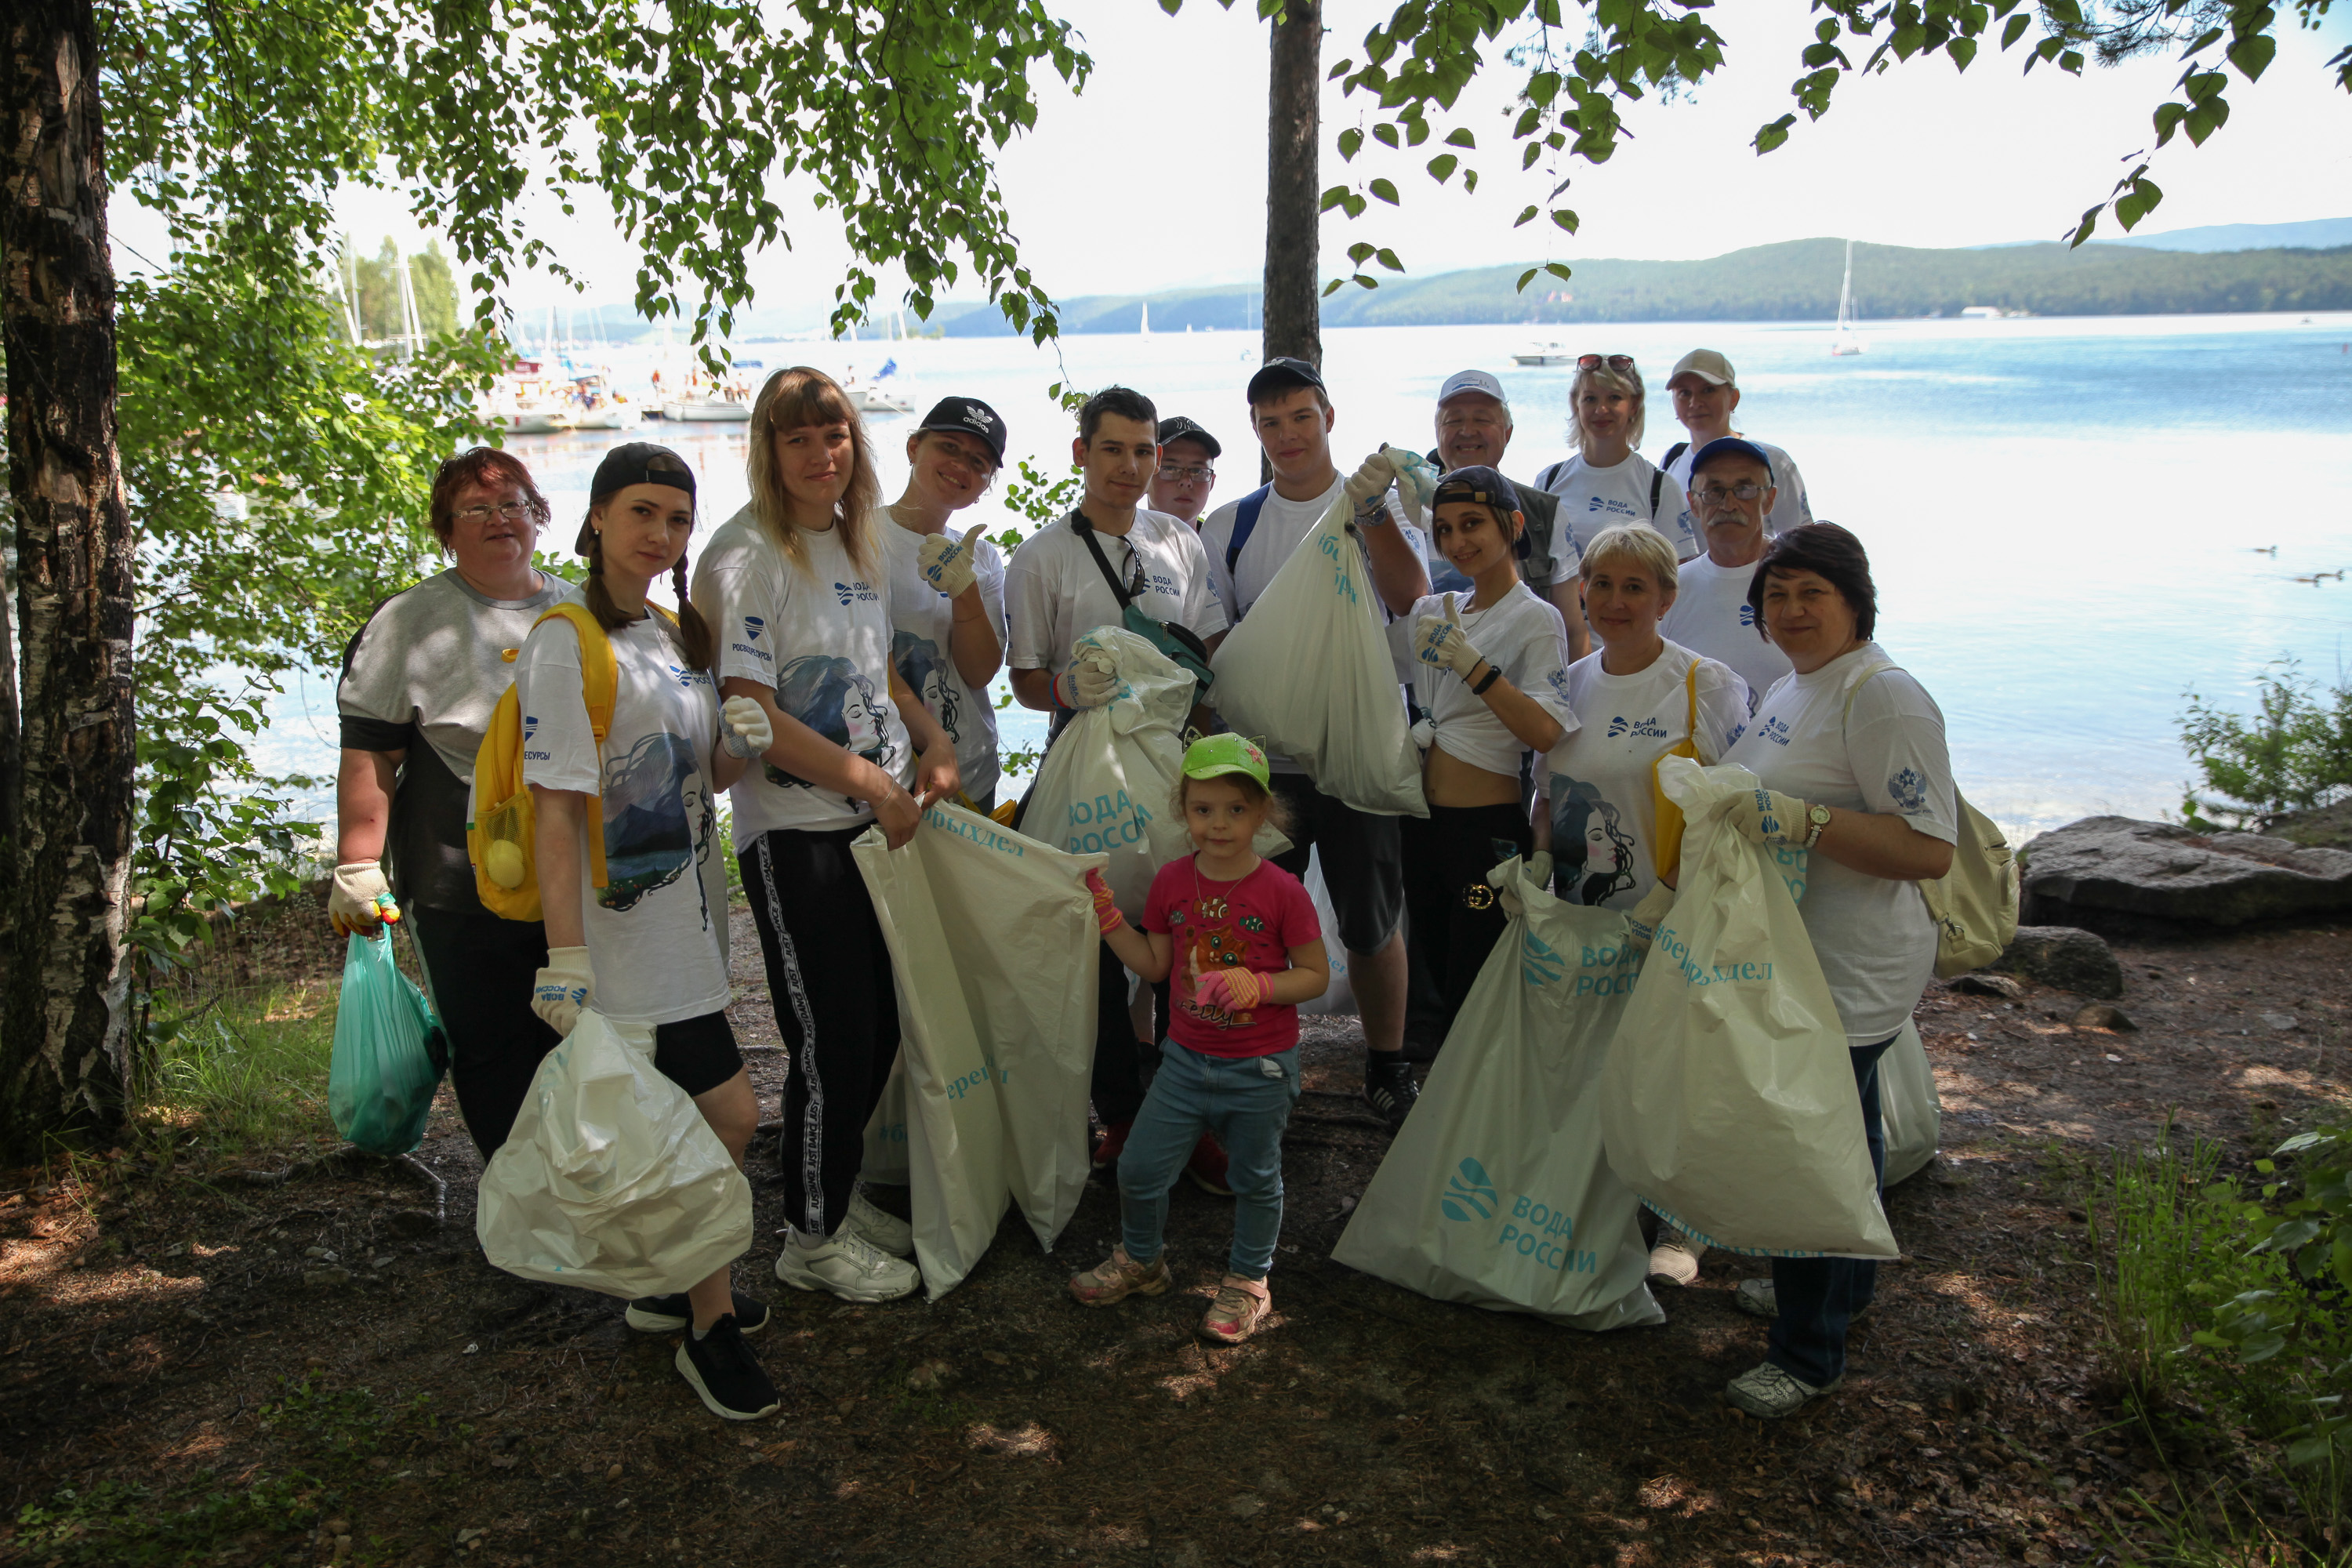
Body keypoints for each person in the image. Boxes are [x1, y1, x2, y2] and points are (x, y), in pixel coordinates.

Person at [515, 443, 779, 1421]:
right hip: (620, 944)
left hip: (690, 927)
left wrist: (735, 747)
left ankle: (672, 1287)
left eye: (677, 516)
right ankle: (708, 1328)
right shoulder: (563, 637)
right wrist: (566, 953)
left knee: (684, 1123)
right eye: (641, 512)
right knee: (726, 1120)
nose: (661, 534)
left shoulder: (672, 633)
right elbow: (554, 809)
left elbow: (697, 778)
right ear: (594, 519)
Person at [692, 366, 963, 1306]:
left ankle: (835, 1196)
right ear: (766, 451)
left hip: (873, 822)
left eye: (835, 435)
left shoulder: (855, 539)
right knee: (827, 1038)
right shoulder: (747, 555)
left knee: (878, 1026)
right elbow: (750, 706)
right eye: (797, 438)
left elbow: (873, 665)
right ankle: (809, 1235)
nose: (821, 455)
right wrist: (871, 785)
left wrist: (929, 738)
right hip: (798, 838)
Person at [1709, 521, 1958, 1419]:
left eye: (1812, 592)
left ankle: (1809, 1354)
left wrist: (1798, 821)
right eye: (1777, 594)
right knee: (1843, 1134)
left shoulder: (1882, 695)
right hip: (1799, 952)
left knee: (1810, 1147)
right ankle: (1835, 1290)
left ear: (1856, 599)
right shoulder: (1795, 683)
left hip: (1852, 964)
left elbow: (1930, 847)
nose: (1791, 609)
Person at [1196, 356, 1432, 1128]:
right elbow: (1224, 647)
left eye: (1302, 416)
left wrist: (1372, 514)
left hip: (1358, 753)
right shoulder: (1232, 525)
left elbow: (1410, 600)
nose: (1289, 434)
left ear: (1329, 416)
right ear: (1256, 432)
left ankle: (1387, 1065)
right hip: (1266, 766)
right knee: (1252, 922)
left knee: (1373, 922)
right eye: (1271, 423)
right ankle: (1256, 1063)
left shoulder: (1368, 505)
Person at [1004, 385, 1229, 1176]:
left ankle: (1188, 1111)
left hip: (1172, 765)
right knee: (1096, 944)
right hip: (1086, 767)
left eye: (1144, 451)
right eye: (1113, 449)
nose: (1130, 466)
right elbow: (1025, 676)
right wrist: (1069, 689)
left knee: (1187, 935)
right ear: (1081, 454)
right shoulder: (1042, 557)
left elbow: (1203, 652)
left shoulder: (1179, 542)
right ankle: (1123, 1115)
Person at [1529, 522, 1748, 1292]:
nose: (1615, 600)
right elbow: (1549, 791)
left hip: (1674, 911)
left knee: (1676, 1061)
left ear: (1665, 595)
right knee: (1598, 1058)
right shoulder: (1570, 681)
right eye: (1602, 583)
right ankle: (1606, 1195)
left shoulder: (1706, 684)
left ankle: (1685, 1221)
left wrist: (1674, 894)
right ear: (1581, 588)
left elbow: (1730, 807)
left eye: (1635, 586)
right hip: (1584, 912)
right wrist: (1535, 872)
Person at [332, 448, 568, 1157]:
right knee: (492, 1043)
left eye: (515, 503)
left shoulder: (579, 608)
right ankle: (517, 1198)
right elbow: (372, 751)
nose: (500, 519)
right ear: (446, 529)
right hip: (459, 878)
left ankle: (584, 1182)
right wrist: (357, 864)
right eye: (477, 509)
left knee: (576, 1032)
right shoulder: (411, 622)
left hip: (575, 869)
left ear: (538, 517)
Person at [1067, 735, 1329, 1345]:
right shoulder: (1171, 882)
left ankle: (1247, 1282)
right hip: (1183, 1063)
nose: (1219, 824)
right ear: (1183, 811)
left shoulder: (1283, 891)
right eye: (1203, 809)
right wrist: (1109, 918)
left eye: (1237, 809)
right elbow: (1155, 965)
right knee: (1137, 1169)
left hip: (1261, 1068)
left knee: (1256, 1179)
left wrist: (1258, 985)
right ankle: (1143, 1261)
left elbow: (1314, 976)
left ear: (1264, 814)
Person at [1388, 467, 1574, 1037]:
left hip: (1485, 830)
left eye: (1472, 524)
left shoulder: (1536, 617)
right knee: (1438, 988)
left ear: (1514, 525)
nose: (1457, 541)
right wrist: (1373, 510)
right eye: (1443, 529)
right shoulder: (1439, 611)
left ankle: (1483, 1117)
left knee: (1480, 993)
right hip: (1422, 826)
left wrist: (1474, 668)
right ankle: (1449, 1114)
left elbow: (1546, 731)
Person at [879, 396, 1011, 811]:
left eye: (978, 462)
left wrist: (964, 588)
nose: (961, 467)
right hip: (884, 775)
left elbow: (979, 672)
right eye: (949, 448)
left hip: (970, 773)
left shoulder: (983, 557)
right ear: (914, 447)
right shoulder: (855, 537)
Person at [1424, 368, 1588, 659]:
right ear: (1437, 433)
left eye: (1482, 419)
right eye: (1454, 420)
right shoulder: (1406, 508)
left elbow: (1572, 629)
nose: (1467, 431)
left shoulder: (1543, 512)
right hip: (1428, 693)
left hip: (1524, 692)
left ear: (1508, 432)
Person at [1658, 437, 1797, 708]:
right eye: (1714, 491)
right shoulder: (1670, 591)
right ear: (1694, 504)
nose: (1729, 504)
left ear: (1769, 500)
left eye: (1745, 489)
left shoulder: (1803, 584)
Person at [1534, 355, 1699, 566]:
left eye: (1614, 398)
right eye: (1590, 399)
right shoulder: (1548, 481)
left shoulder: (1659, 487)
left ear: (1634, 405)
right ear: (1576, 405)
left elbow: (1680, 574)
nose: (1601, 410)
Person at [1658, 350, 1812, 539]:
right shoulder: (1671, 461)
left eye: (1708, 390)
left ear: (1733, 398)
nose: (1695, 403)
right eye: (1684, 393)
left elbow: (1802, 544)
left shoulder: (1774, 462)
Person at [1149, 415, 1221, 527]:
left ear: (1211, 483)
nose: (1186, 481)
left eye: (1197, 471)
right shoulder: (1119, 541)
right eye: (1171, 469)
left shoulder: (1225, 542)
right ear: (1146, 478)